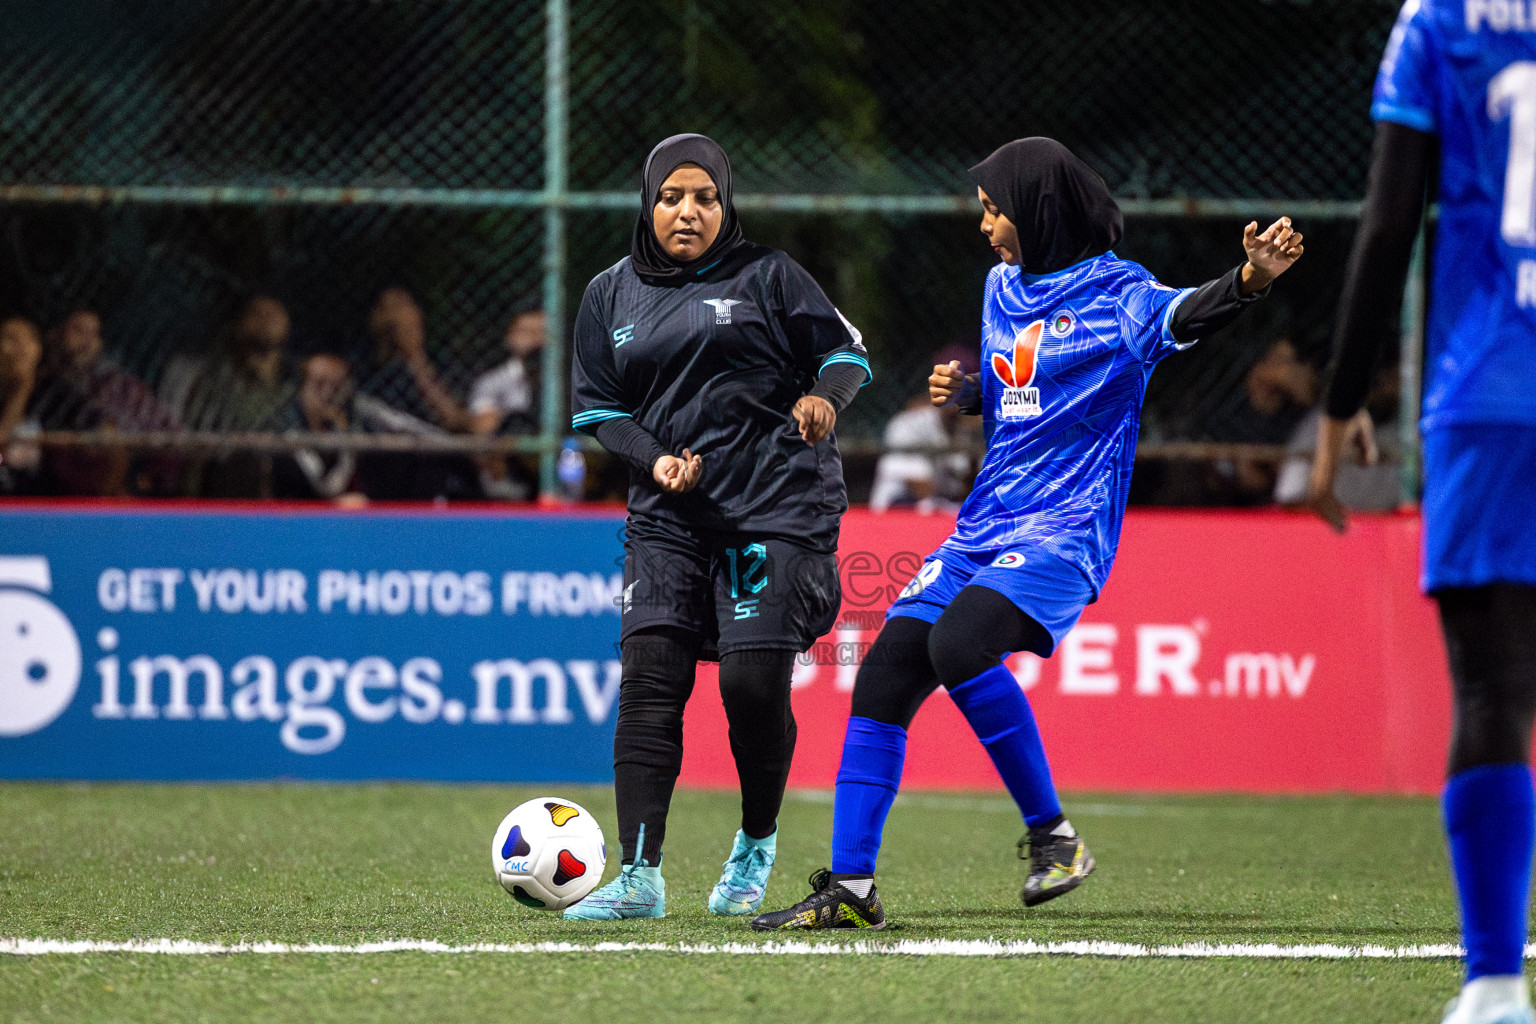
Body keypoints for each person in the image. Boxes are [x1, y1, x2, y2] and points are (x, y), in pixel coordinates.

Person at [751, 137, 1300, 931]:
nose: (984, 224)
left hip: (1065, 531)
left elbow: (1186, 315)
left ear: (1035, 211)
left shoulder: (1120, 294)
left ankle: (1054, 838)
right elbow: (1030, 388)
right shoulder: (1001, 286)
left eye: (993, 209)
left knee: (960, 645)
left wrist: (1249, 279)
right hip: (986, 525)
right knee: (884, 678)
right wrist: (972, 393)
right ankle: (852, 888)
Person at [562, 133, 870, 922]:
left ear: (725, 204)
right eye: (672, 197)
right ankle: (638, 879)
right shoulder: (608, 295)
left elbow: (848, 355)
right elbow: (601, 411)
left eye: (705, 197)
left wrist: (824, 400)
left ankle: (756, 842)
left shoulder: (769, 275)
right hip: (668, 517)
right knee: (650, 680)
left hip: (774, 510)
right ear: (649, 203)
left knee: (748, 682)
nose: (688, 212)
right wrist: (655, 460)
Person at [1307, 5, 1536, 1022]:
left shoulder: (1439, 20)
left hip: (1491, 390)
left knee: (1493, 687)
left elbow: (1390, 223)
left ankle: (1494, 984)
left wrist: (1340, 401)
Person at [469, 308, 545, 500]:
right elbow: (483, 429)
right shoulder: (493, 381)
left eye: (543, 331)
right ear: (509, 337)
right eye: (527, 331)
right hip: (512, 465)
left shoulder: (572, 380)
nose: (536, 339)